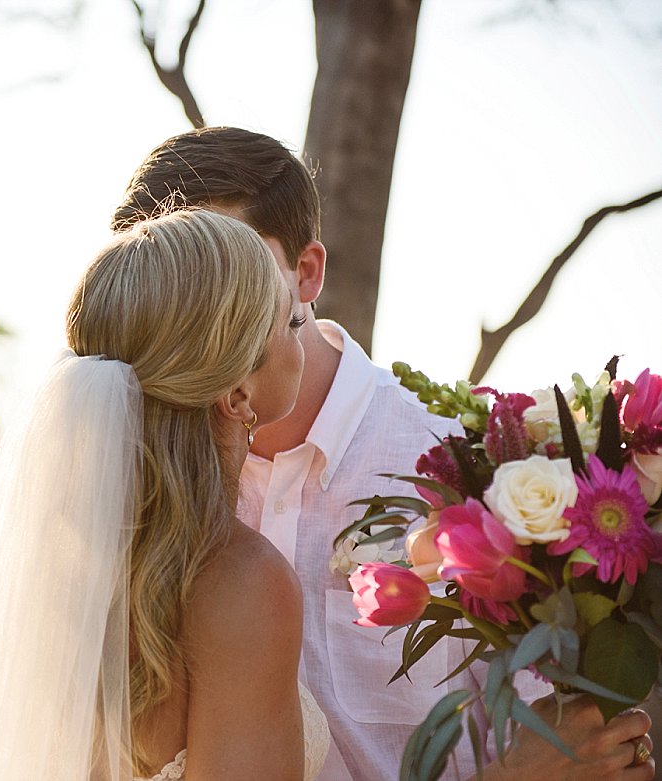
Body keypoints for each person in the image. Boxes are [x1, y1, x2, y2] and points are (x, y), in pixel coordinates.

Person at [112, 126, 654, 780]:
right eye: (178, 279)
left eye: (231, 269)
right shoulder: (141, 488)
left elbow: (571, 748)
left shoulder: (461, 464)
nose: (199, 308)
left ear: (306, 273)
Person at [0, 209, 330, 780]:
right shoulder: (239, 580)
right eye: (290, 325)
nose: (304, 335)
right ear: (238, 393)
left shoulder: (47, 565)